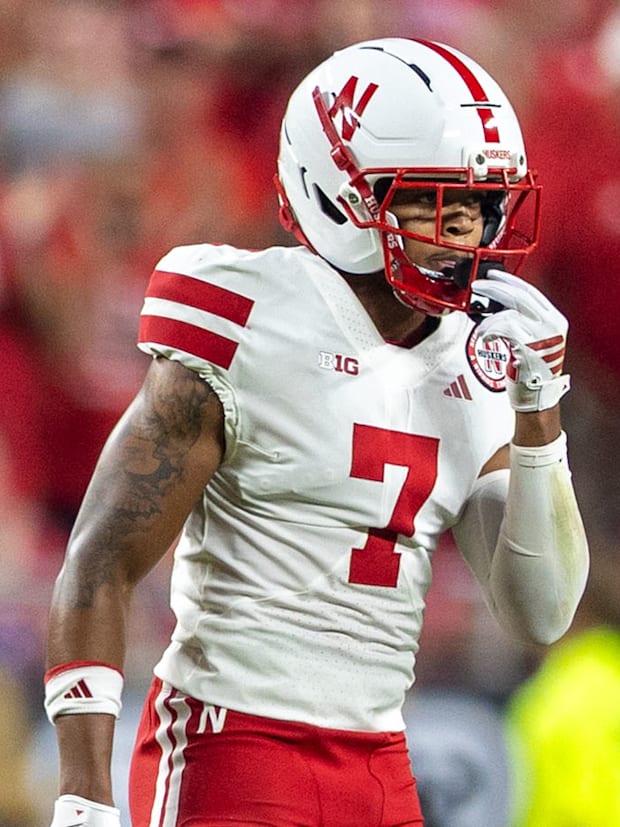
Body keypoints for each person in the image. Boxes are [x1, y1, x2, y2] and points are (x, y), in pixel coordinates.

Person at [44, 37, 589, 827]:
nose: (467, 230)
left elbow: (540, 612)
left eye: (481, 203)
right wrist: (82, 794)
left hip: (382, 757)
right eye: (435, 199)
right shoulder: (249, 315)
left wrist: (541, 417)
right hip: (233, 742)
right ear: (340, 195)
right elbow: (99, 558)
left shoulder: (481, 362)